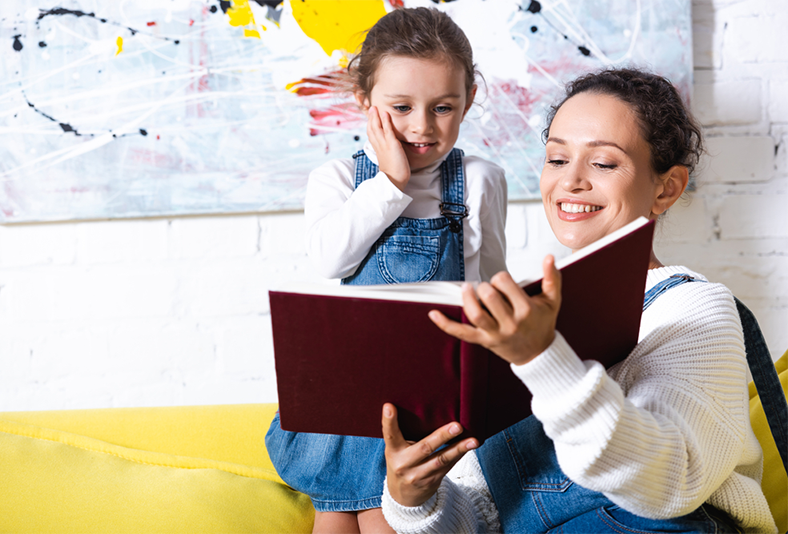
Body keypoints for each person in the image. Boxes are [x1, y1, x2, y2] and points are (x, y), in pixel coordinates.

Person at [379, 68, 779, 534]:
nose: (571, 182)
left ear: (666, 188)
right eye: (556, 159)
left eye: (603, 164)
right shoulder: (511, 320)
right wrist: (414, 500)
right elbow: (484, 519)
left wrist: (543, 359)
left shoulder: (693, 310)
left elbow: (670, 484)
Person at [265, 7, 508, 534]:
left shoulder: (480, 180)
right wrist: (392, 184)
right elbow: (332, 260)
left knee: (387, 519)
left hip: (427, 397)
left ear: (468, 100)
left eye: (443, 107)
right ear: (364, 102)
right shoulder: (337, 180)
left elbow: (488, 285)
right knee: (334, 515)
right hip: (349, 399)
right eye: (400, 107)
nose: (422, 126)